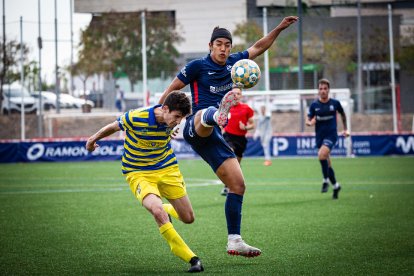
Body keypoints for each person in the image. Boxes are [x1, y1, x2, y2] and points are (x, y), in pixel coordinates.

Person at [159, 16, 298, 257]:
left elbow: (259, 46)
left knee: (238, 185)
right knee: (207, 114)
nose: (224, 49)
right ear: (211, 46)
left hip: (213, 136)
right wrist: (161, 118)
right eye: (219, 44)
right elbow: (171, 90)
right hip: (196, 124)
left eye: (227, 45)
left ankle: (234, 240)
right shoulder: (197, 66)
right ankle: (219, 112)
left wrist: (279, 28)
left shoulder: (235, 64)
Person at [85, 91, 204, 273]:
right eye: (177, 117)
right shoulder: (136, 116)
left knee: (188, 218)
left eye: (181, 118)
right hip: (138, 172)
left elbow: (173, 127)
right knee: (156, 211)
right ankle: (192, 258)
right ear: (164, 109)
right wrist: (93, 140)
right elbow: (113, 126)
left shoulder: (171, 121)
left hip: (167, 168)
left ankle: (163, 209)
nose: (178, 121)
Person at [306, 78, 350, 200]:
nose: (323, 91)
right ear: (318, 90)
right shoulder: (314, 105)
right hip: (319, 136)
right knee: (327, 163)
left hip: (331, 136)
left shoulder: (335, 103)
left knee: (321, 155)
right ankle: (336, 186)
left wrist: (345, 129)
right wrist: (309, 123)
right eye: (321, 89)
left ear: (328, 90)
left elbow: (343, 114)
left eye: (325, 89)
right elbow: (308, 119)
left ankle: (325, 180)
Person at [221, 100, 255, 196]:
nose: (235, 96)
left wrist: (245, 127)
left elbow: (253, 125)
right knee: (230, 155)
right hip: (228, 136)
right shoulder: (226, 108)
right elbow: (220, 121)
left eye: (238, 94)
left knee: (236, 164)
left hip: (240, 139)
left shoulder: (246, 108)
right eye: (233, 94)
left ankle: (232, 184)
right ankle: (226, 186)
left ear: (241, 95)